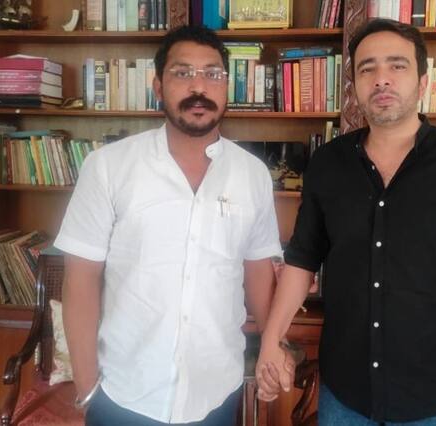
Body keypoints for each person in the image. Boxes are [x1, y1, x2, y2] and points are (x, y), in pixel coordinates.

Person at [255, 18, 436, 426]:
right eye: (368, 69)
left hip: (435, 399)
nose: (382, 79)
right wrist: (271, 339)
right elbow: (302, 259)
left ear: (423, 80)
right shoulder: (328, 163)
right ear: (354, 87)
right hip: (344, 395)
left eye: (397, 65)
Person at [55, 25, 286, 425]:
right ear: (158, 87)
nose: (199, 87)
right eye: (182, 73)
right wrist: (87, 387)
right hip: (124, 392)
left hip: (215, 392)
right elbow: (81, 280)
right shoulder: (109, 167)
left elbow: (257, 272)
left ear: (226, 86)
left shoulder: (253, 175)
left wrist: (272, 348)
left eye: (213, 74)